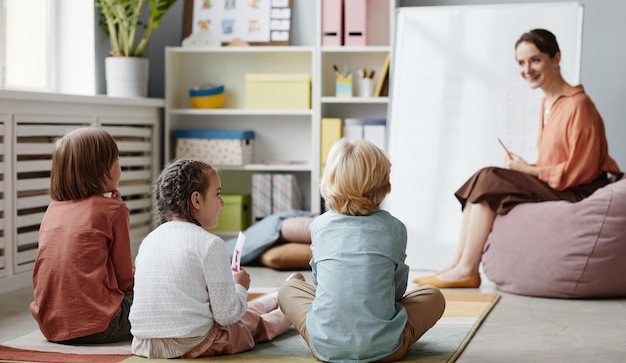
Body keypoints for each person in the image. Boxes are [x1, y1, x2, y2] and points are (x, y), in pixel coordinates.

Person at [415, 28, 622, 289]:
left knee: (490, 177)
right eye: (521, 63)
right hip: (559, 184)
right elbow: (557, 161)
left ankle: (467, 268)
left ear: (556, 59)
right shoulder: (547, 103)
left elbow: (581, 169)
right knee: (486, 181)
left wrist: (527, 170)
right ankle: (457, 265)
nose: (527, 69)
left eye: (535, 60)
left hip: (578, 191)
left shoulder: (578, 104)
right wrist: (527, 168)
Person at [278, 138, 446, 363]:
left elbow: (320, 288)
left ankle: (324, 327)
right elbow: (397, 291)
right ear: (384, 184)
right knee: (433, 296)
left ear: (329, 181)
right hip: (388, 349)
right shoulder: (395, 228)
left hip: (324, 347)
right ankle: (383, 337)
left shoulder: (318, 226)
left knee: (287, 290)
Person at [129, 158, 296, 359]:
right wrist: (241, 286)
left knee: (239, 311)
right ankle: (289, 305)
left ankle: (275, 297)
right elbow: (227, 315)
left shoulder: (148, 240)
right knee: (249, 324)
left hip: (145, 344)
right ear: (196, 200)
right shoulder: (209, 243)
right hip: (191, 343)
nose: (222, 202)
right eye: (217, 194)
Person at [30, 127, 134, 344]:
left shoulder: (53, 209)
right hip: (102, 325)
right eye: (116, 160)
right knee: (155, 287)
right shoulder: (114, 211)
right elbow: (125, 280)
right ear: (102, 169)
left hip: (50, 327)